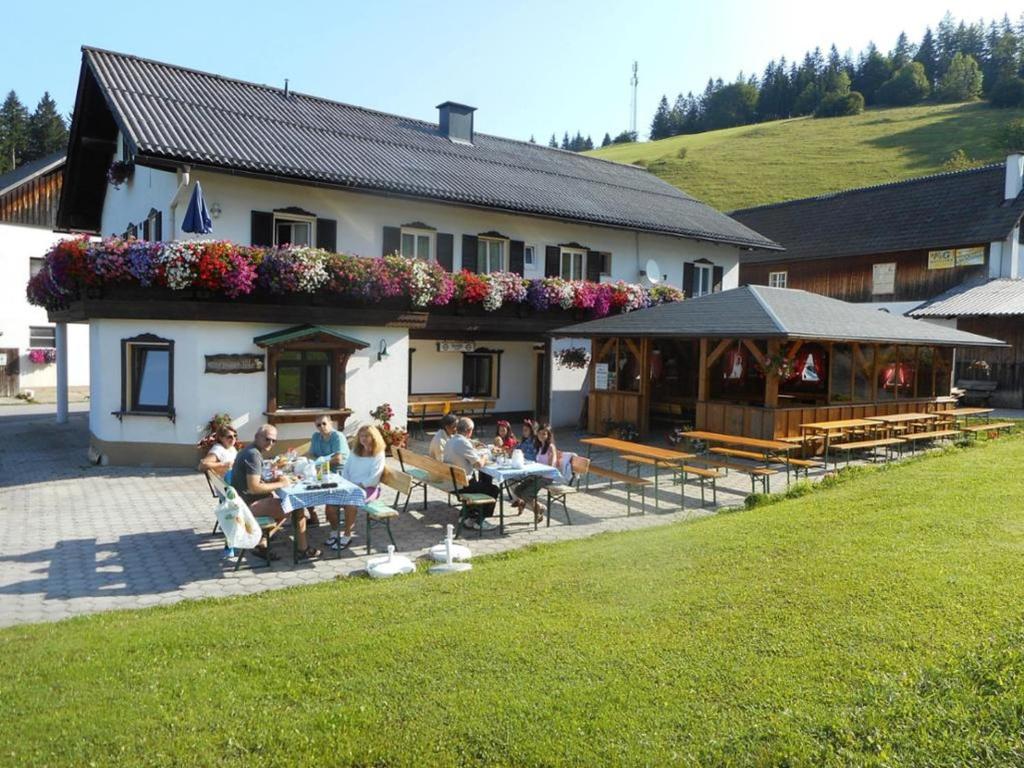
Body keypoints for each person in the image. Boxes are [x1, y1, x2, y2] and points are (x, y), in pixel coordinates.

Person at [230, 425, 320, 561]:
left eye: (274, 441)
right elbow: (254, 487)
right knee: (296, 506)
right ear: (257, 437)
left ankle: (261, 541)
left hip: (240, 501)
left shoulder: (249, 450)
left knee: (282, 502)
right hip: (246, 507)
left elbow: (254, 482)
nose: (270, 443)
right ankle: (303, 550)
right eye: (267, 439)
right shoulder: (253, 455)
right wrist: (282, 483)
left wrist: (273, 480)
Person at [329, 425, 387, 550]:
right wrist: (346, 483)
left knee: (351, 503)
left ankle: (347, 535)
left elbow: (374, 478)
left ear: (374, 437)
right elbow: (346, 470)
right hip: (351, 486)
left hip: (369, 488)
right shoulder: (355, 451)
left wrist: (358, 486)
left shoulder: (378, 454)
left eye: (367, 436)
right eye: (361, 436)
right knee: (330, 503)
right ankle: (334, 533)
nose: (363, 439)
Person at [443, 417, 498, 531]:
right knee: (493, 489)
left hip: (451, 482)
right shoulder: (462, 442)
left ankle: (467, 516)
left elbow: (466, 456)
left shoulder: (450, 440)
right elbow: (478, 464)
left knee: (482, 483)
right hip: (460, 486)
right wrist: (485, 456)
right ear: (469, 430)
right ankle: (479, 522)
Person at [305, 415, 350, 527]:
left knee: (329, 503)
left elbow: (338, 459)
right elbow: (310, 455)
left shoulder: (337, 436)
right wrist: (319, 463)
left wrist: (319, 463)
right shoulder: (316, 436)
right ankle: (313, 515)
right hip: (323, 470)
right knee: (305, 487)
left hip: (340, 473)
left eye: (324, 423)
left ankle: (335, 524)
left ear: (331, 423)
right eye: (318, 425)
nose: (322, 427)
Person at [511, 423, 559, 523]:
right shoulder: (539, 446)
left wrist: (539, 471)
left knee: (526, 494)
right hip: (537, 474)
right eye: (540, 433)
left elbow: (551, 466)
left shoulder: (550, 447)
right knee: (518, 490)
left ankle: (538, 508)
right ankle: (539, 507)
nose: (542, 436)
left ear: (549, 435)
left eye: (544, 434)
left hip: (546, 477)